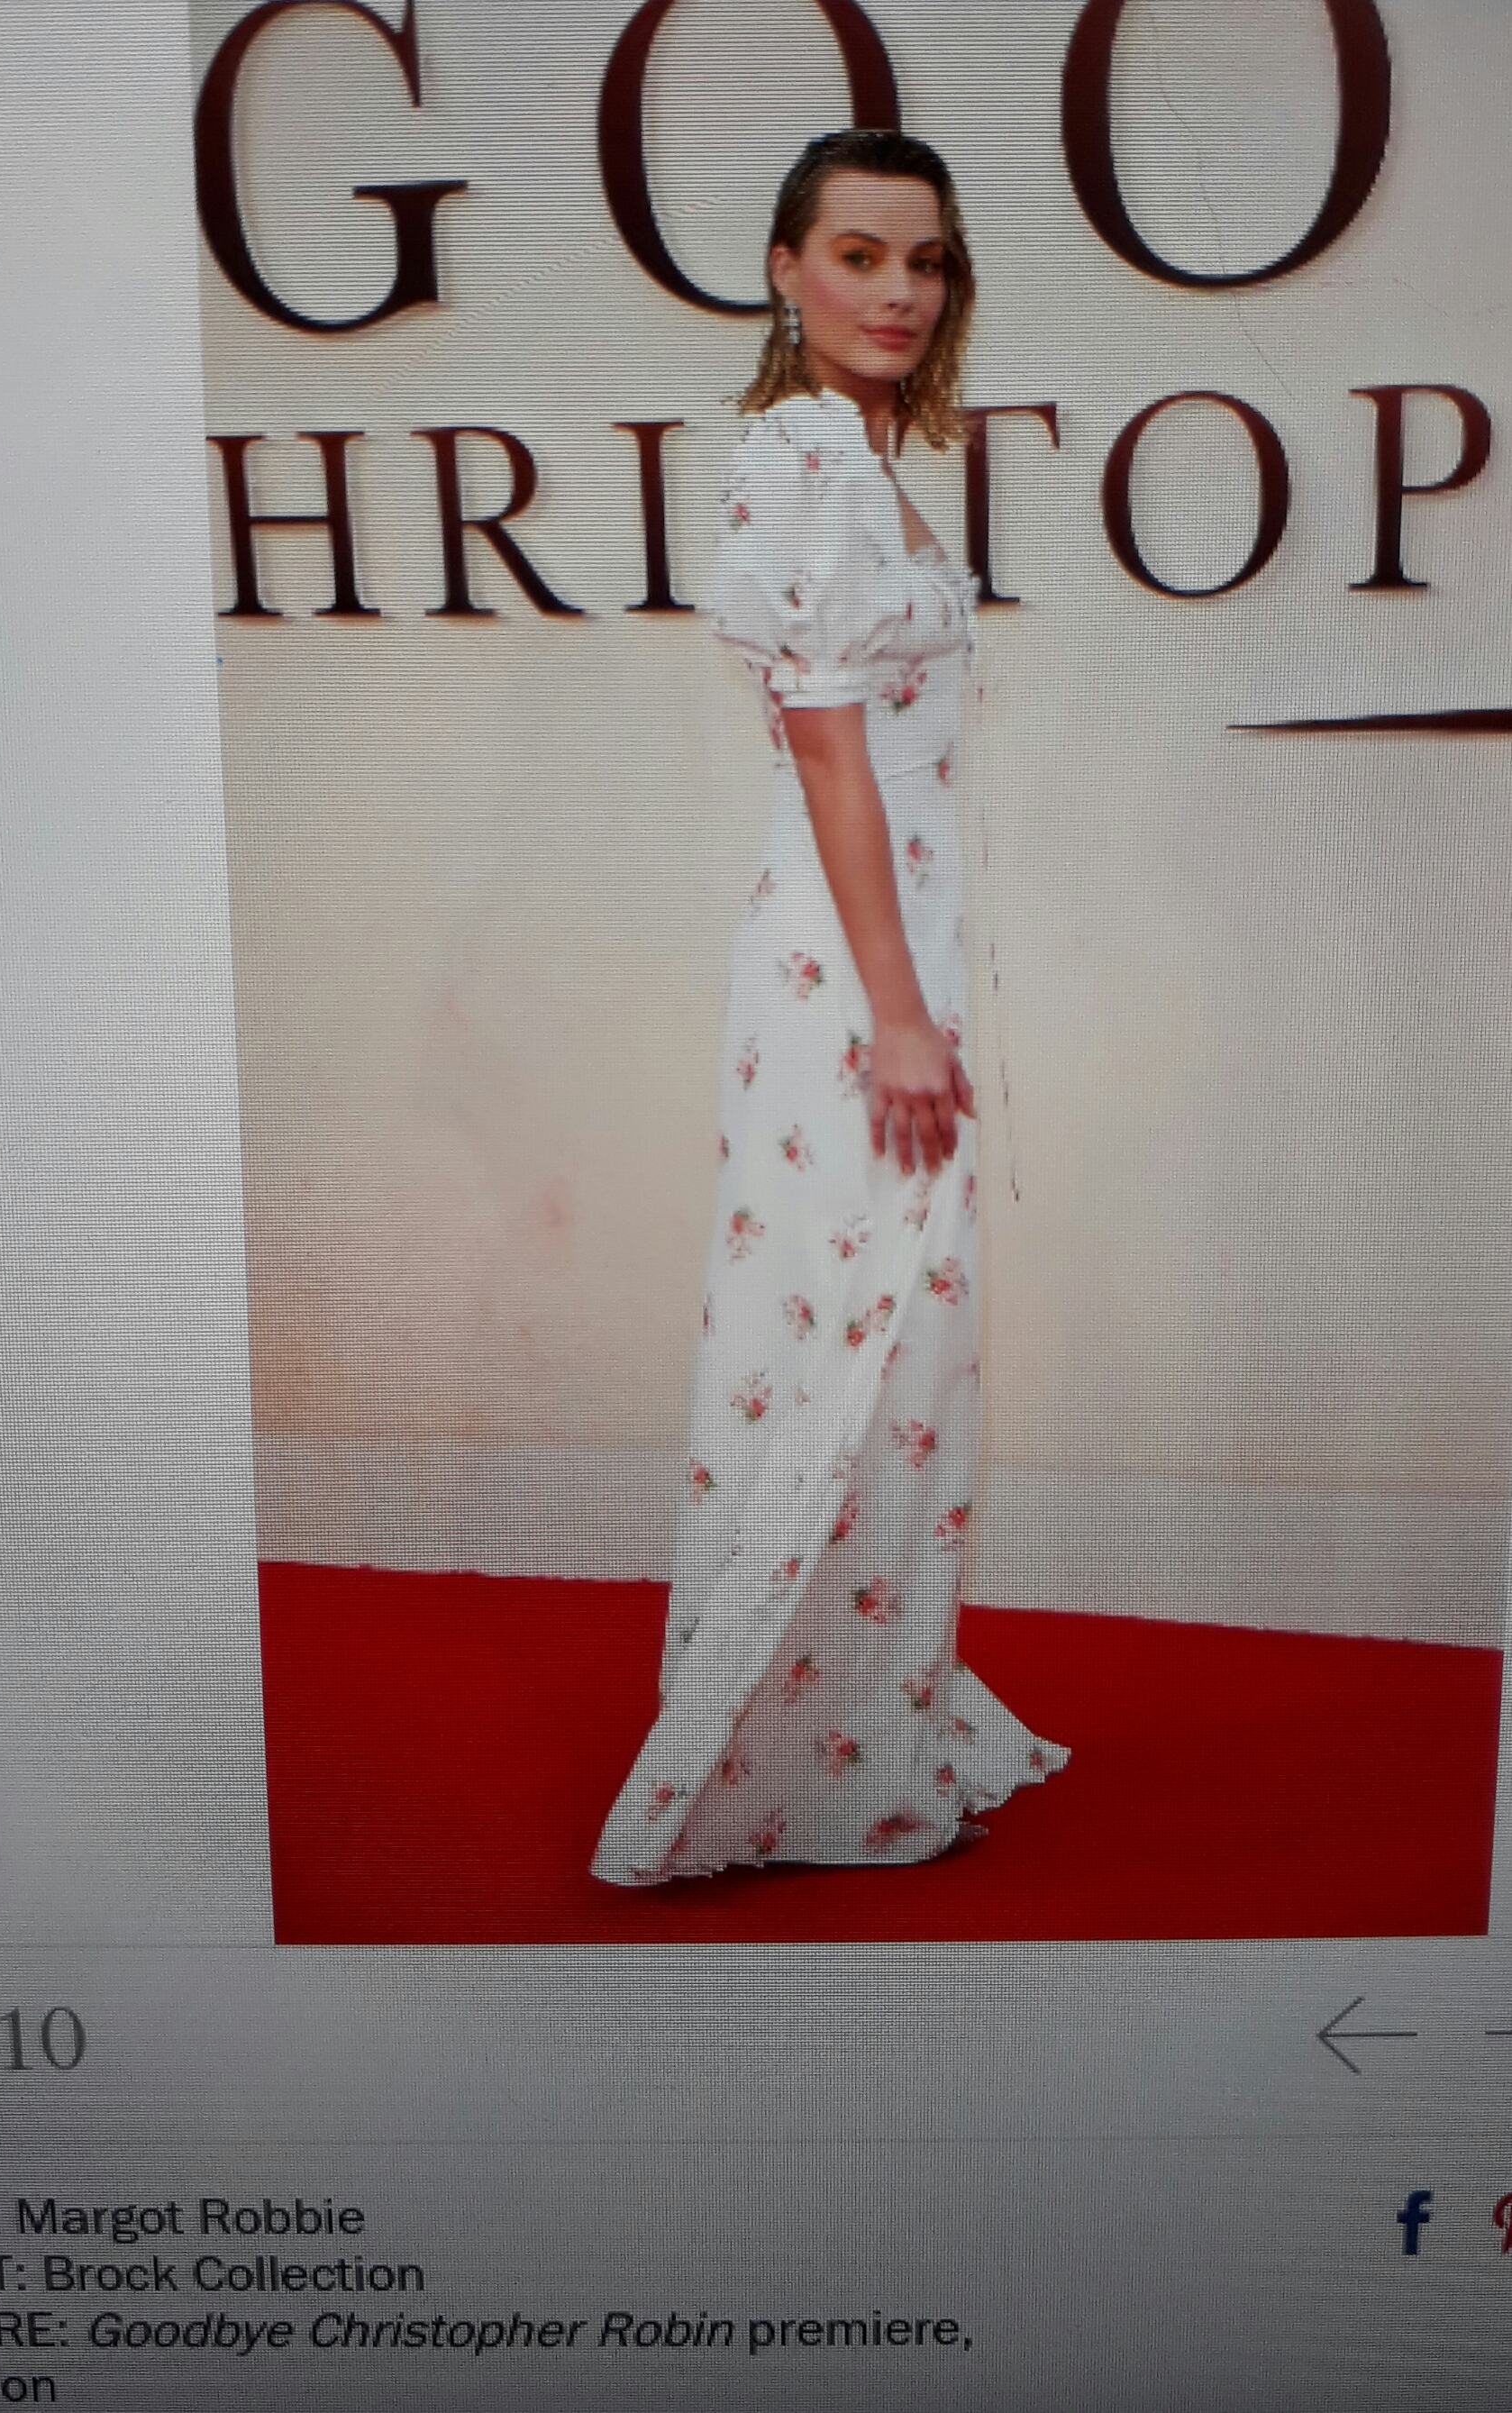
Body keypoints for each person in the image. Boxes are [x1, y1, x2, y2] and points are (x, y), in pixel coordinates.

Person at [592, 129, 1067, 1889]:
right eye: (859, 254)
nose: (899, 290)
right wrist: (900, 1012)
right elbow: (826, 756)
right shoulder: (800, 454)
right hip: (851, 973)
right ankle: (779, 1757)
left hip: (886, 951)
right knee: (853, 1322)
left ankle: (856, 1710)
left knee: (896, 1336)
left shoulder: (865, 456)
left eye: (925, 259)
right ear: (785, 270)